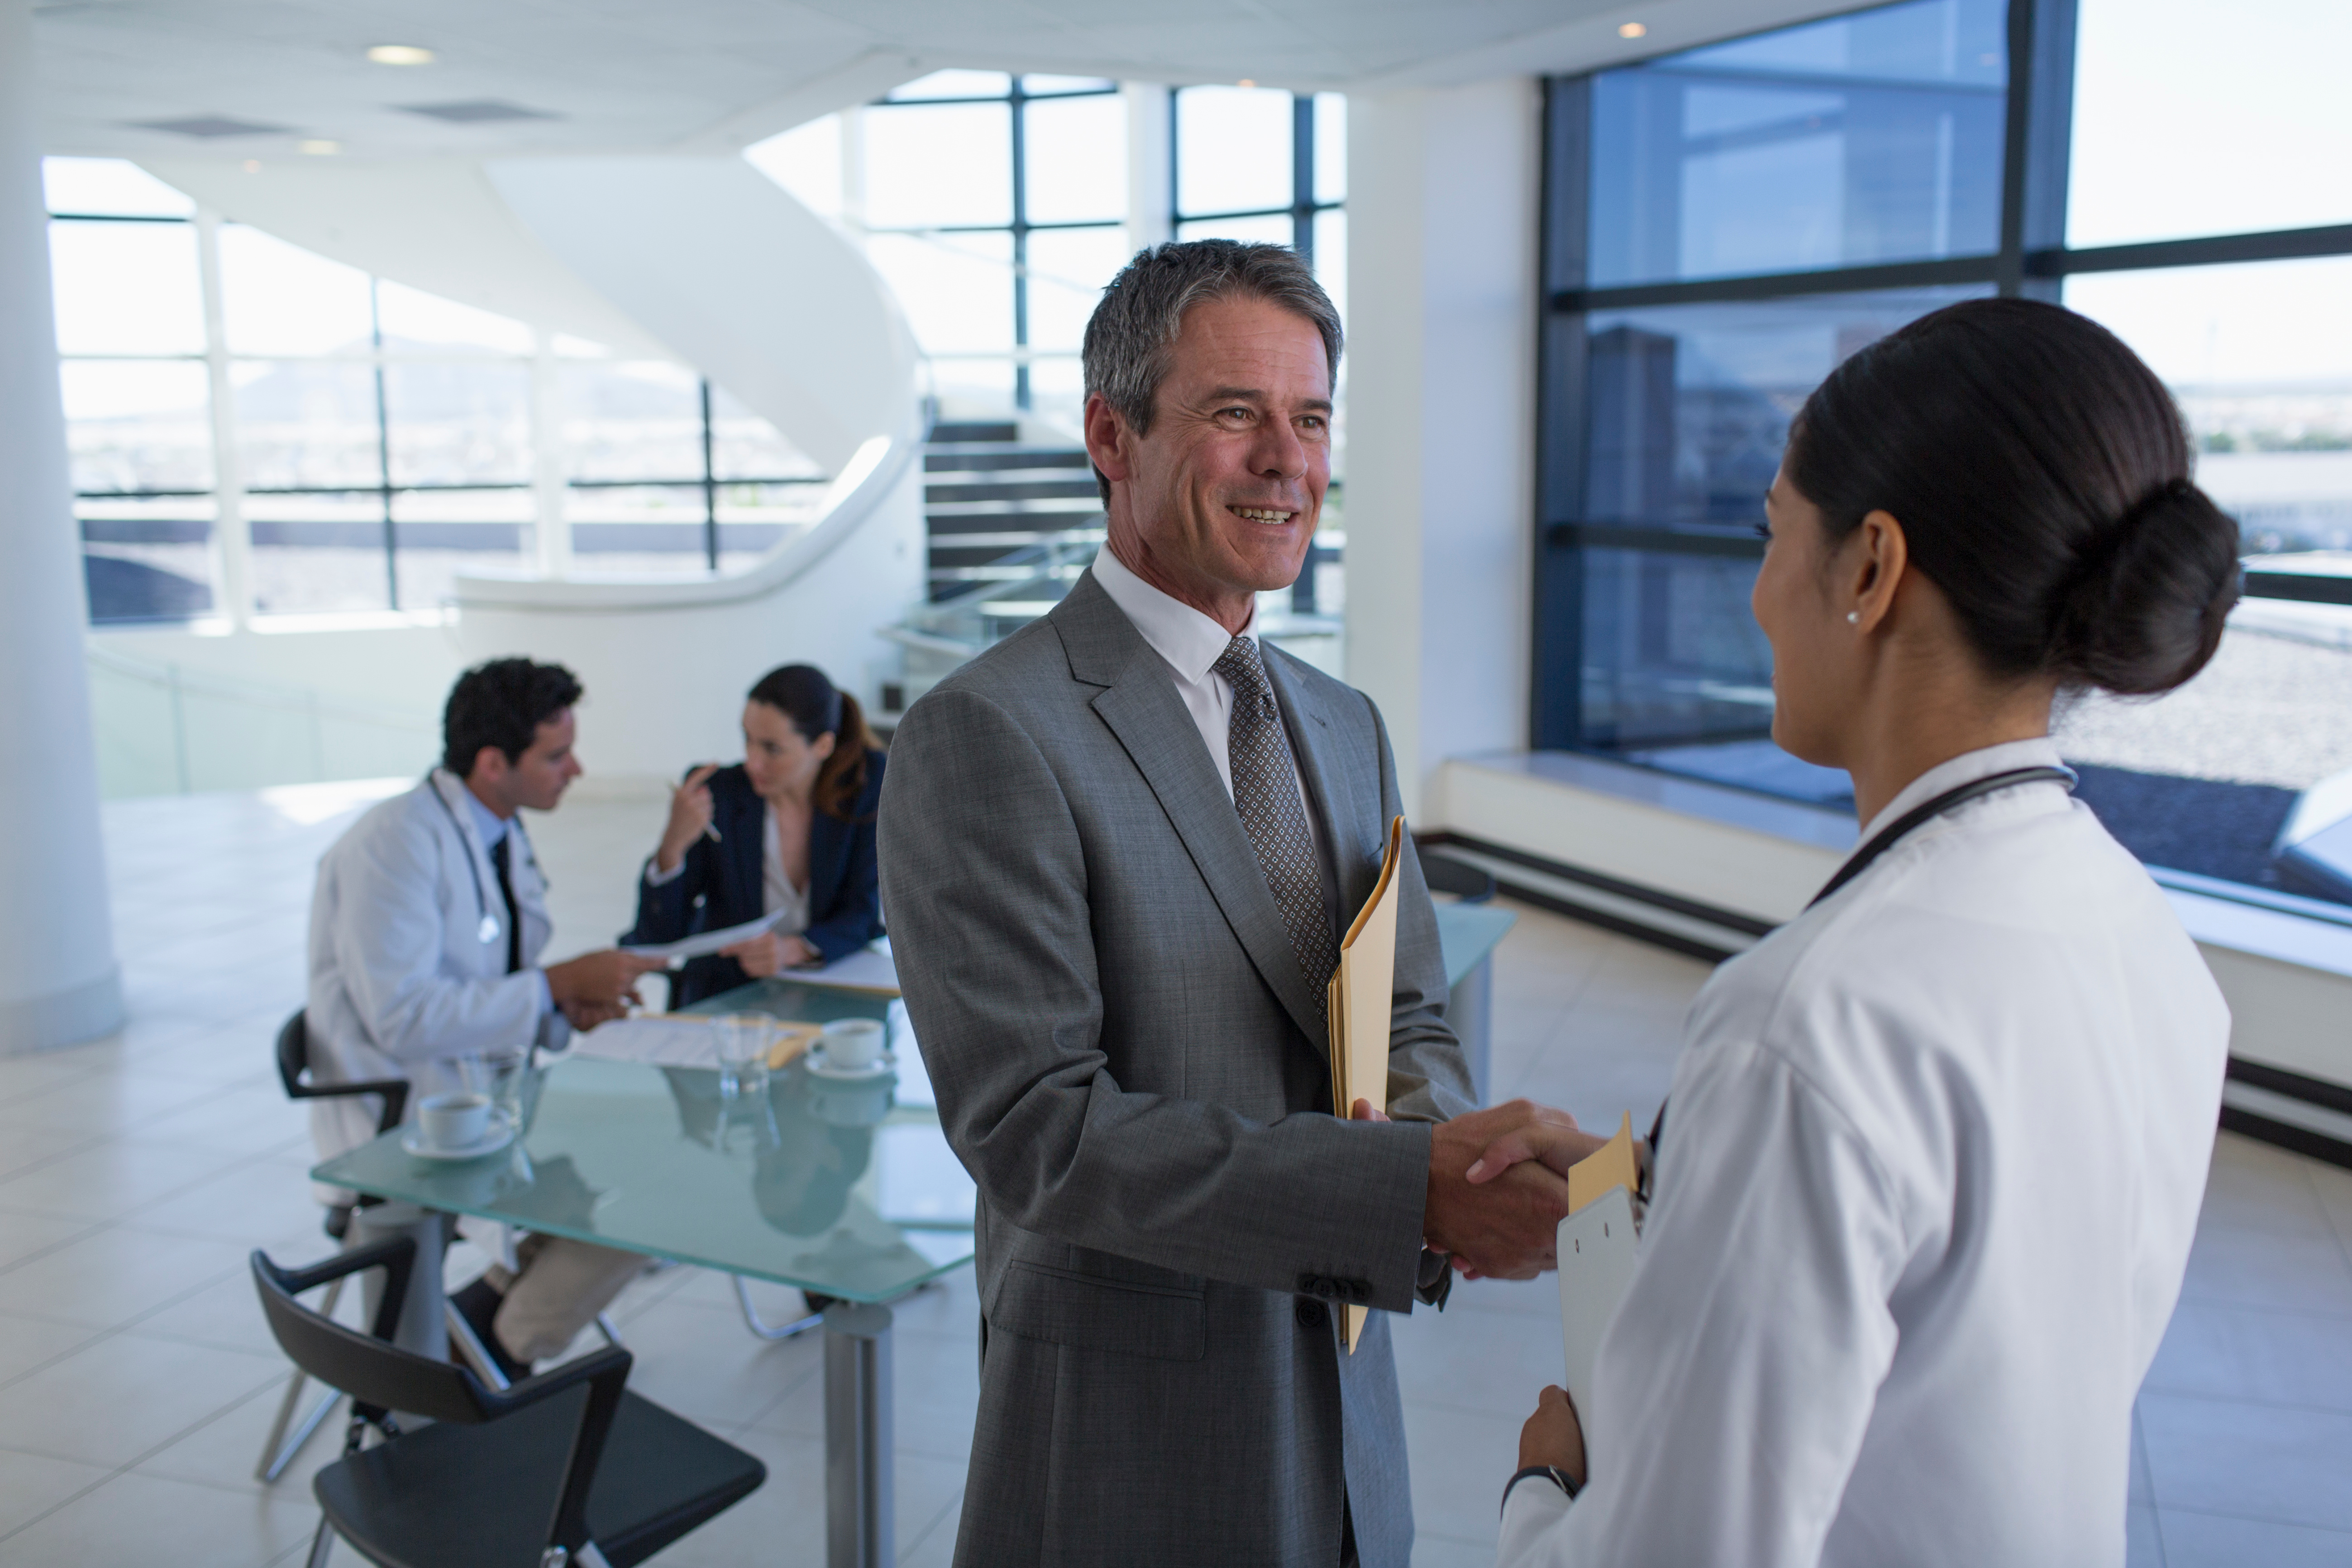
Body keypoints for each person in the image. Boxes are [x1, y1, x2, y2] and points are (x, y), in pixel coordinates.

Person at [1480, 297, 2240, 1567]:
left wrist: (1541, 1490)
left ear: (1871, 569)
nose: (1760, 593)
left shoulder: (1809, 1023)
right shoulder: (2139, 939)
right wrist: (1682, 1189)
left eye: (1772, 531)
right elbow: (1965, 1297)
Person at [879, 239, 1580, 1568]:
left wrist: (1457, 1153)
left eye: (1309, 418)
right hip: (1130, 1443)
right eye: (1234, 414)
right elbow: (1040, 1134)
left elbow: (1411, 1009)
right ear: (1110, 433)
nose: (1286, 461)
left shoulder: (1341, 722)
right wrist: (1403, 1198)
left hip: (1346, 1421)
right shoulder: (986, 736)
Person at [307, 657, 665, 1379]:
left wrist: (565, 1008)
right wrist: (552, 984)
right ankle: (498, 1357)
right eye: (556, 755)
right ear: (493, 762)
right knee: (648, 1202)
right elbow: (404, 1019)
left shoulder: (494, 827)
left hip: (481, 1097)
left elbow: (495, 981)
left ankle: (485, 1317)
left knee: (656, 1159)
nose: (577, 770)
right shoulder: (393, 845)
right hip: (406, 1127)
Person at [623, 663, 886, 1008]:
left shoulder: (864, 789)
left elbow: (864, 912)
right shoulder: (718, 795)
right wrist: (673, 844)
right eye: (747, 740)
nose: (752, 762)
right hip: (728, 996)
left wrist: (792, 949)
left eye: (771, 749)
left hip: (831, 986)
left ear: (822, 746)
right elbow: (659, 935)